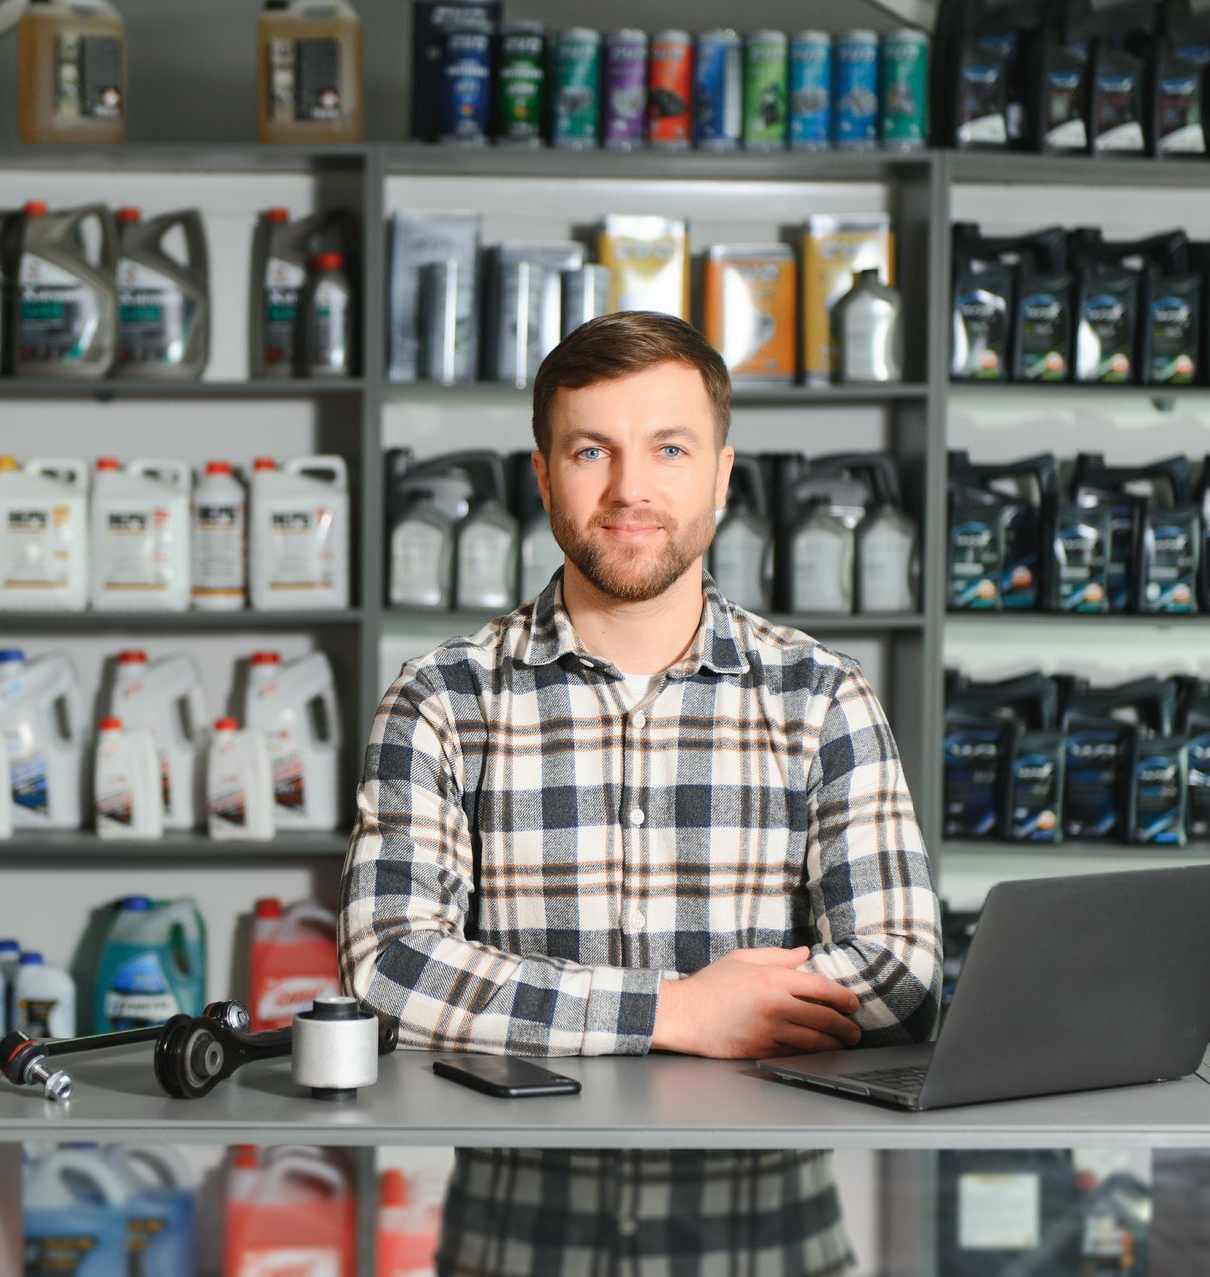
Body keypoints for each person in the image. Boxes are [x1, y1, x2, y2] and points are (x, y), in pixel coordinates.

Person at [340, 311, 942, 1275]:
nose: (630, 489)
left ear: (722, 471)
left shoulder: (821, 695)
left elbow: (901, 970)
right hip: (522, 1240)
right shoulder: (443, 697)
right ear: (541, 475)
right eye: (591, 450)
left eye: (669, 447)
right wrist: (674, 1013)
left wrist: (637, 1013)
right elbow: (389, 966)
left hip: (763, 1240)